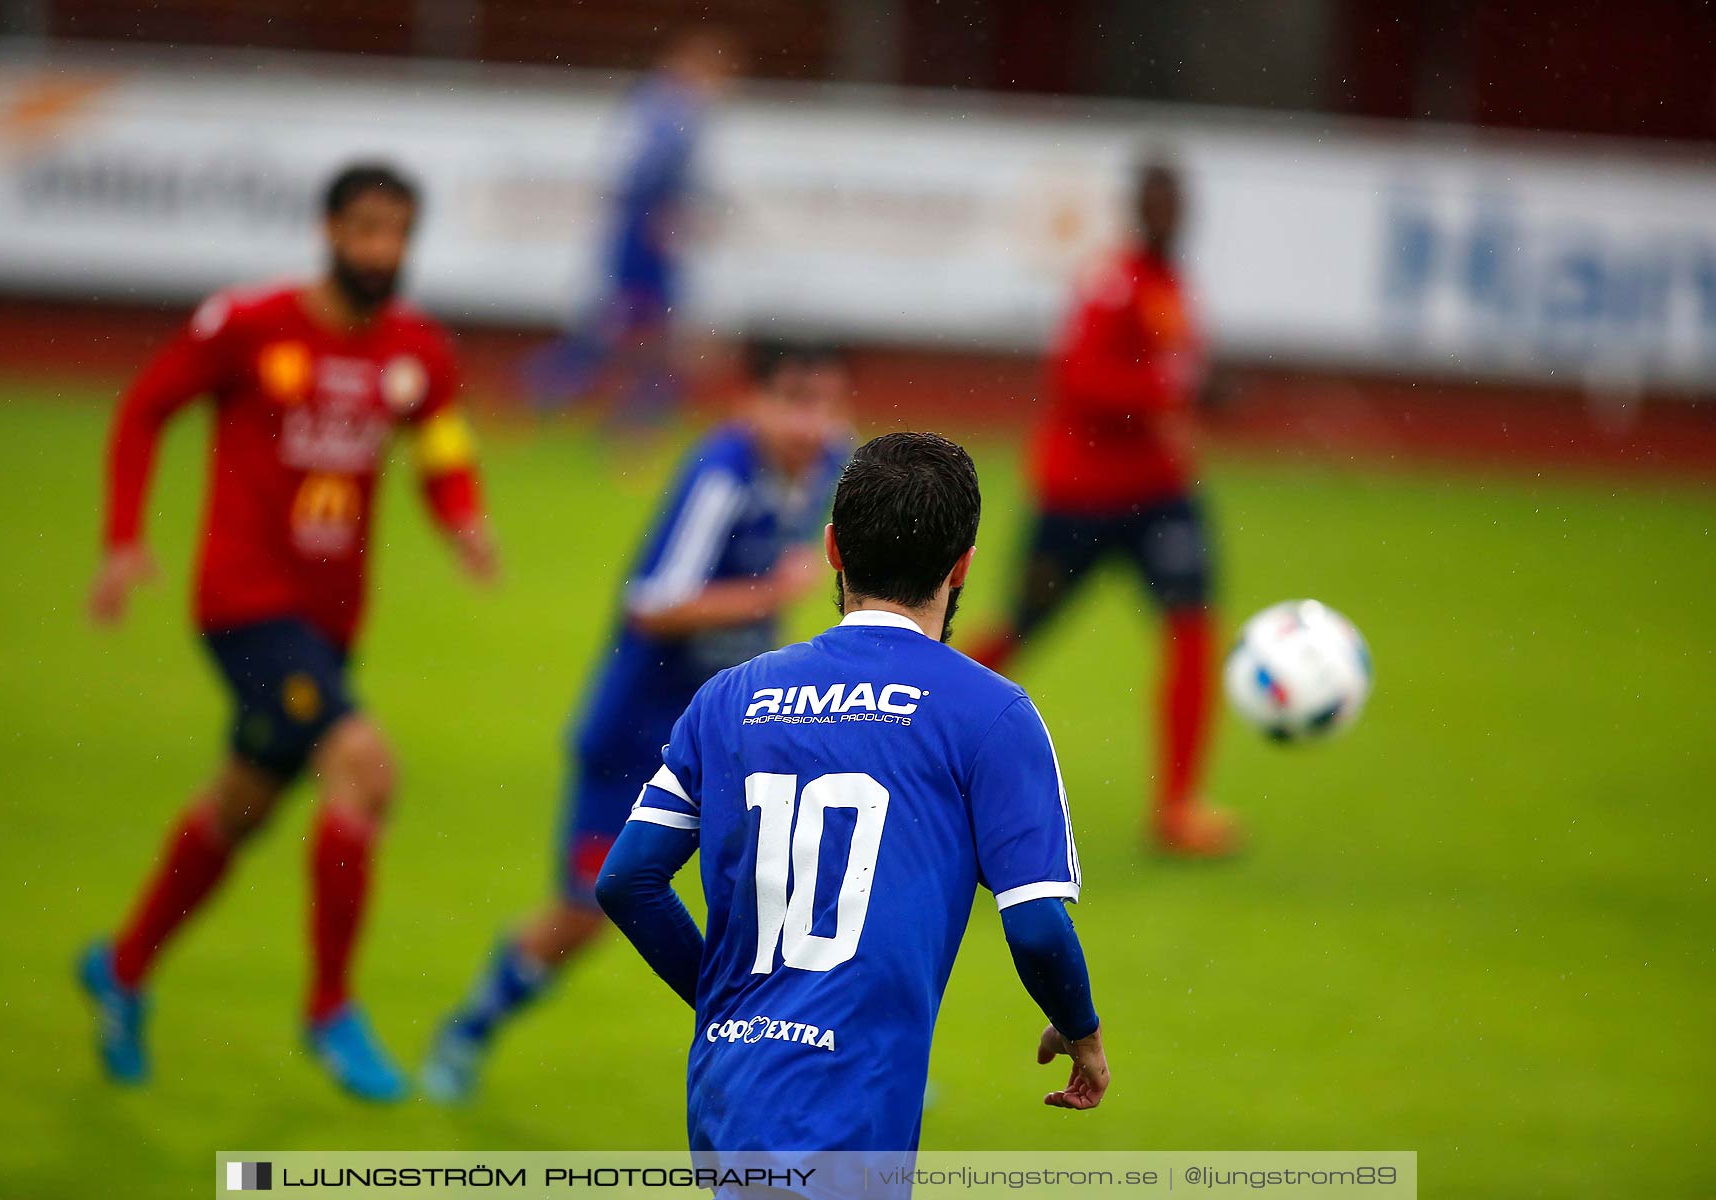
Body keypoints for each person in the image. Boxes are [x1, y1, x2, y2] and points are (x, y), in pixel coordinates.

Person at [77, 162, 498, 1103]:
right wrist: (121, 538)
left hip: (329, 624)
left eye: (396, 233)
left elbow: (440, 442)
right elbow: (146, 408)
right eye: (364, 231)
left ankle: (123, 966)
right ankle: (329, 1010)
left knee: (244, 806)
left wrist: (462, 516)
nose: (380, 251)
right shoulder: (249, 324)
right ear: (329, 231)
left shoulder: (416, 351)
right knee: (363, 765)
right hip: (245, 605)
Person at [595, 432, 1108, 1165]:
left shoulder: (729, 697)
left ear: (833, 549)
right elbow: (1033, 926)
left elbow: (627, 881)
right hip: (849, 1105)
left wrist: (727, 1006)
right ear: (962, 565)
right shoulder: (990, 714)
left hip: (727, 1091)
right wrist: (1079, 1026)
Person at [423, 343, 850, 1101]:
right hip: (635, 736)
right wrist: (766, 594)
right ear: (746, 403)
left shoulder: (829, 465)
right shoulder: (720, 475)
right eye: (791, 402)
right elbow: (651, 603)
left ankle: (836, 1063)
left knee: (798, 893)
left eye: (822, 404)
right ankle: (470, 1028)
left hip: (734, 730)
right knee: (584, 914)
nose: (808, 423)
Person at [967, 159, 1236, 857]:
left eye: (1176, 204)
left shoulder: (1173, 287)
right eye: (1157, 205)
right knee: (1019, 630)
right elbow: (1079, 378)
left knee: (1194, 626)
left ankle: (1177, 807)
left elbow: (1173, 377)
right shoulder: (1112, 283)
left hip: (1161, 497)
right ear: (1138, 211)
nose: (1168, 217)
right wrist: (1168, 397)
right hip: (1081, 499)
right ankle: (904, 729)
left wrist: (1197, 395)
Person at [525, 29, 740, 426]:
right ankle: (557, 395)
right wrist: (664, 214)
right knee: (638, 329)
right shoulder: (674, 108)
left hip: (639, 230)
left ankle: (558, 396)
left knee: (631, 327)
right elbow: (650, 174)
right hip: (645, 235)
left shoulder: (655, 102)